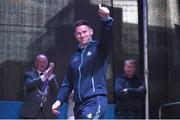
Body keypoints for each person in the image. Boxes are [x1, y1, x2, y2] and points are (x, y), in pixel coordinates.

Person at [52, 4, 113, 119]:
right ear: (75, 35)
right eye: (78, 33)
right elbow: (67, 83)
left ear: (91, 32)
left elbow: (107, 36)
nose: (82, 35)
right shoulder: (74, 58)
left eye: (84, 32)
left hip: (95, 101)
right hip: (79, 105)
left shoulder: (99, 49)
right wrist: (59, 101)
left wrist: (105, 19)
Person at [20, 54, 59, 119]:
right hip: (31, 113)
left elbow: (56, 92)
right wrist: (43, 77)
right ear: (36, 63)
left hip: (47, 113)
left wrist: (50, 78)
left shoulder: (52, 76)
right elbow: (29, 85)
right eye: (40, 62)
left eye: (44, 62)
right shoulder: (29, 74)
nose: (43, 64)